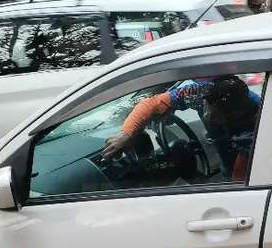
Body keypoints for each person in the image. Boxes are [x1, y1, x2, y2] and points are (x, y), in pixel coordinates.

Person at [102, 75, 261, 181]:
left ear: (233, 115)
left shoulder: (256, 121)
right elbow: (151, 104)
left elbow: (239, 179)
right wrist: (126, 133)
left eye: (216, 116)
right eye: (207, 110)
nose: (208, 116)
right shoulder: (198, 92)